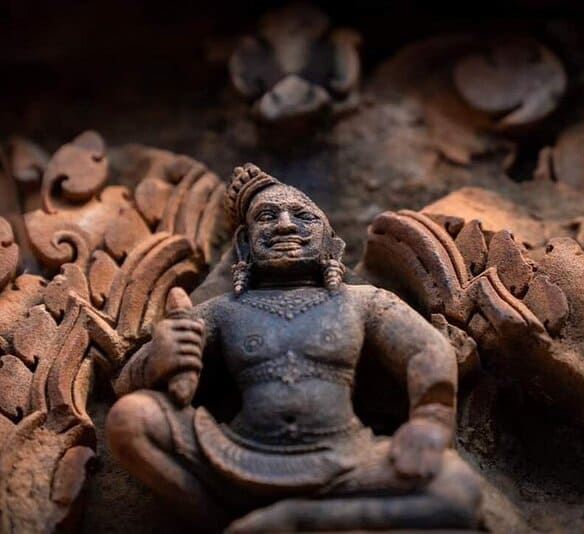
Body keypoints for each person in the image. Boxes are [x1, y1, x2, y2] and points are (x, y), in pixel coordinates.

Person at [106, 163, 482, 532]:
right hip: (234, 452)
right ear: (244, 245)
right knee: (131, 418)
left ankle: (298, 521)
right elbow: (126, 386)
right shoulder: (223, 310)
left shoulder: (363, 301)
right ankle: (221, 524)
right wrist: (158, 358)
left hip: (346, 457)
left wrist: (429, 421)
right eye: (267, 217)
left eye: (303, 216)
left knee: (456, 486)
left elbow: (426, 350)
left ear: (331, 243)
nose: (285, 224)